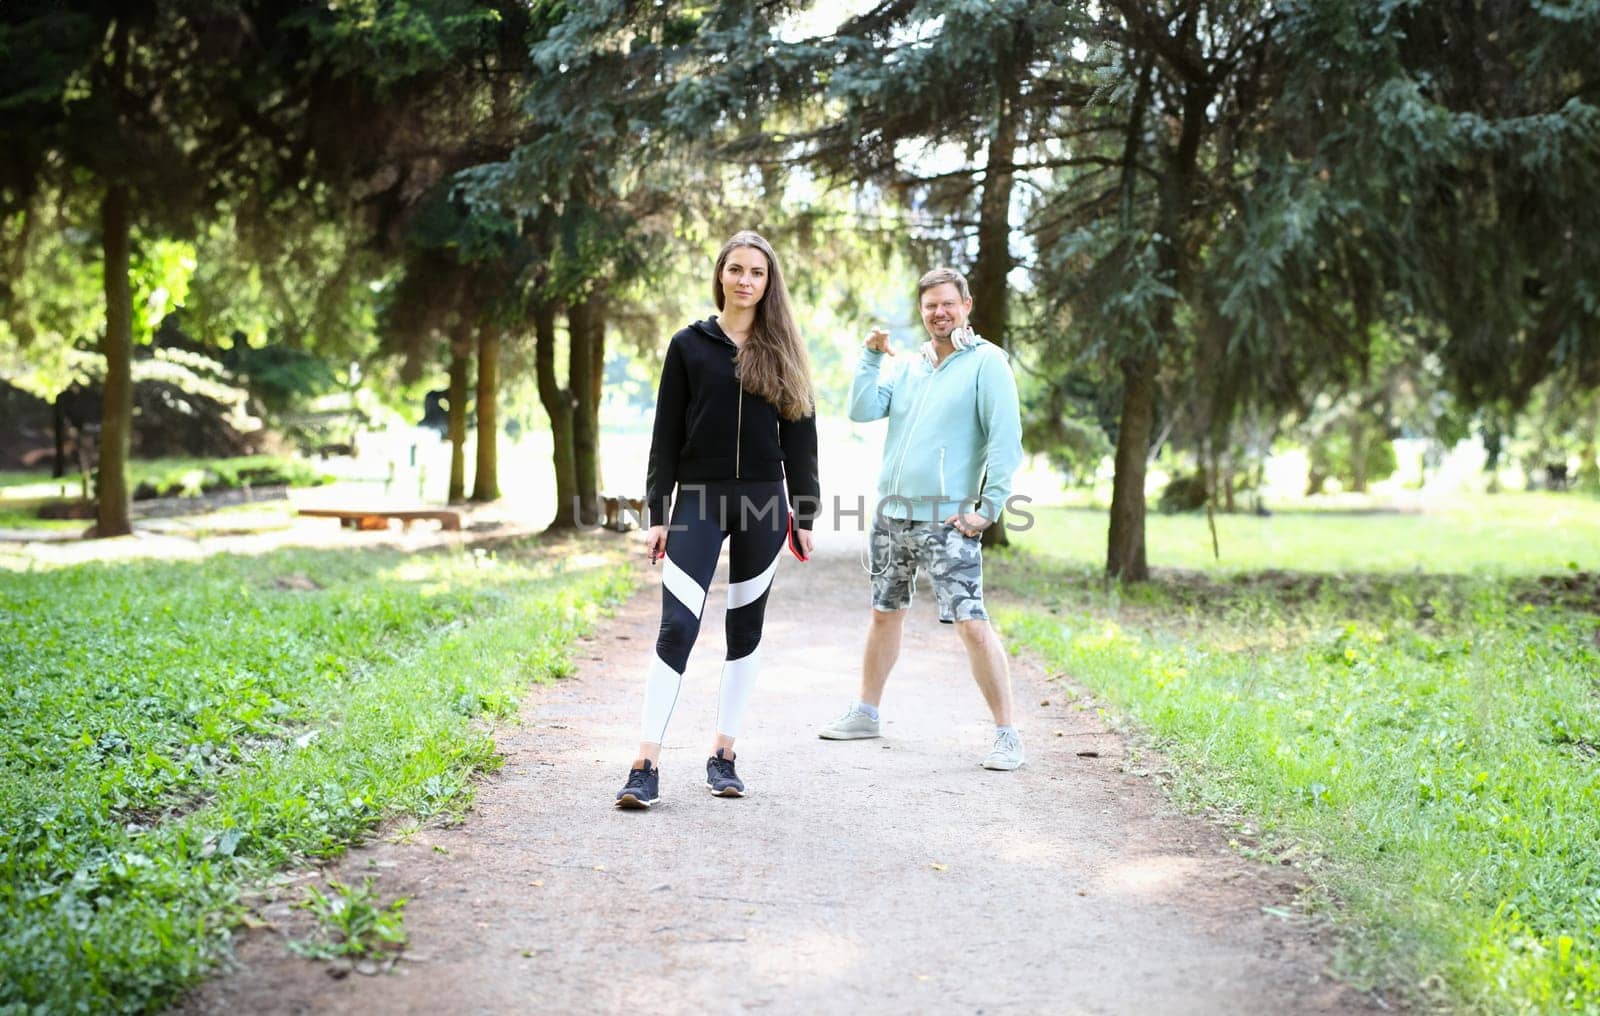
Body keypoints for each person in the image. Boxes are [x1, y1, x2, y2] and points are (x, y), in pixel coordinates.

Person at [615, 231, 819, 809]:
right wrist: (658, 512)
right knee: (678, 626)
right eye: (736, 269)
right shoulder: (688, 344)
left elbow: (802, 437)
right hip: (698, 500)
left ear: (768, 281)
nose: (745, 280)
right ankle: (645, 763)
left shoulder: (784, 348)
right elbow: (665, 434)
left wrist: (803, 512)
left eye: (756, 271)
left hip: (762, 502)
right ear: (721, 275)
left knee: (744, 628)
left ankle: (724, 755)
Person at [817, 267, 1026, 770]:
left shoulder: (987, 363)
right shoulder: (912, 366)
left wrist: (987, 510)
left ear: (967, 305)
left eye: (948, 303)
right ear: (922, 310)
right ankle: (867, 713)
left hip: (947, 522)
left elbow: (1005, 441)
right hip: (892, 517)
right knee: (884, 615)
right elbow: (863, 409)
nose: (939, 312)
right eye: (930, 305)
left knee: (972, 623)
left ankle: (1007, 735)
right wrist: (870, 355)